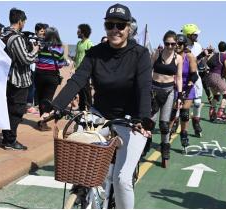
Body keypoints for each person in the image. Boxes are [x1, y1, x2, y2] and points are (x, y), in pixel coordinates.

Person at [51, 3, 152, 208]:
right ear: (105, 27)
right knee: (80, 155)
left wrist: (142, 119)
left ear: (128, 28)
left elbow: (144, 87)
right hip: (100, 116)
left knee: (122, 179)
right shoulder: (95, 53)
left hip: (131, 120)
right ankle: (83, 190)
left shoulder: (140, 54)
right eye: (110, 25)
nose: (115, 29)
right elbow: (77, 80)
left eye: (120, 25)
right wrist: (57, 106)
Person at [0, 8, 39, 150]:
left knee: (9, 109)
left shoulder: (5, 34)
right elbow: (25, 59)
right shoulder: (15, 38)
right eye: (24, 22)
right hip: (18, 79)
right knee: (16, 111)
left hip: (9, 77)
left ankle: (7, 137)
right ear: (20, 21)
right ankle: (10, 140)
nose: (24, 24)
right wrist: (34, 51)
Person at [150, 30, 183, 167]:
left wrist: (179, 96)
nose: (169, 46)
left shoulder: (178, 58)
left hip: (169, 91)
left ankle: (165, 150)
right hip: (154, 90)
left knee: (164, 124)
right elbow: (148, 70)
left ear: (176, 44)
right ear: (163, 43)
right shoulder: (156, 53)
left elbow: (179, 78)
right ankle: (143, 148)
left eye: (172, 44)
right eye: (167, 44)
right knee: (149, 123)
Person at [35, 27, 67, 131]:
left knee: (40, 99)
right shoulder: (59, 49)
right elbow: (60, 64)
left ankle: (41, 120)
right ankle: (43, 122)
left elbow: (36, 60)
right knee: (47, 100)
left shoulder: (41, 46)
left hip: (39, 75)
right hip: (52, 76)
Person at [169, 34, 197, 151]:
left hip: (187, 87)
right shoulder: (170, 56)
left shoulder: (189, 56)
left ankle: (184, 134)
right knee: (172, 114)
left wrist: (189, 85)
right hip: (173, 88)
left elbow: (194, 75)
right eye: (176, 44)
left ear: (184, 45)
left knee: (184, 114)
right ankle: (167, 135)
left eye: (180, 44)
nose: (177, 46)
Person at [181, 23, 205, 138]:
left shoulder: (198, 46)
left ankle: (196, 121)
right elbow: (193, 59)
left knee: (197, 102)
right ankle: (176, 121)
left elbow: (197, 63)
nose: (197, 36)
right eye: (195, 34)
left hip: (195, 76)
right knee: (179, 101)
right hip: (184, 77)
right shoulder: (181, 46)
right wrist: (201, 56)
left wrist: (205, 65)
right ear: (188, 35)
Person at [26, 23, 49, 114]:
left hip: (39, 67)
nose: (43, 33)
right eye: (41, 31)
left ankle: (35, 105)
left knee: (37, 87)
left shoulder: (43, 40)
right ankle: (29, 105)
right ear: (36, 31)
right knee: (32, 87)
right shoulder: (33, 40)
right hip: (33, 66)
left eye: (44, 32)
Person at [206, 41, 226, 122]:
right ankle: (221, 112)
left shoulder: (214, 55)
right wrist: (224, 77)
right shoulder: (225, 56)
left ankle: (212, 113)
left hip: (209, 77)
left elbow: (207, 63)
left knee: (216, 95)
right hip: (217, 76)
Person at [74, 23, 93, 111]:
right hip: (78, 70)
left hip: (85, 71)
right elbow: (76, 57)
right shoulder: (78, 43)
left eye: (79, 31)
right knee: (80, 90)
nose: (77, 32)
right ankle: (81, 108)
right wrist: (73, 67)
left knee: (86, 90)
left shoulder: (89, 43)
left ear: (83, 32)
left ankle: (90, 108)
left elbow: (92, 57)